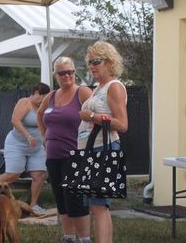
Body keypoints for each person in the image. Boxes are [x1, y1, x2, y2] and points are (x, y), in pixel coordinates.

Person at [78, 41, 128, 243]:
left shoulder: (114, 87)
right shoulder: (100, 87)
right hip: (91, 149)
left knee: (99, 205)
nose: (92, 66)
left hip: (103, 148)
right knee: (94, 206)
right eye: (89, 62)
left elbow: (122, 124)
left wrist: (90, 116)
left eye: (96, 61)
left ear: (109, 62)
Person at [37, 56, 92, 243]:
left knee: (75, 200)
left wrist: (88, 143)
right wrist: (45, 136)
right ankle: (68, 237)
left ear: (75, 72)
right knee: (61, 200)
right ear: (56, 75)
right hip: (53, 156)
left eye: (70, 71)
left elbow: (97, 115)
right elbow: (39, 114)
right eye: (62, 72)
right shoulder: (51, 96)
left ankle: (84, 238)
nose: (67, 75)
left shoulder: (82, 92)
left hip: (75, 156)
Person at [0, 82, 50, 215]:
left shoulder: (45, 107)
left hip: (37, 147)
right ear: (37, 93)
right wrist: (27, 136)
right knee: (13, 174)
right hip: (17, 143)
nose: (44, 101)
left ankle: (33, 205)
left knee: (39, 175)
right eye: (43, 97)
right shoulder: (24, 102)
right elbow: (15, 121)